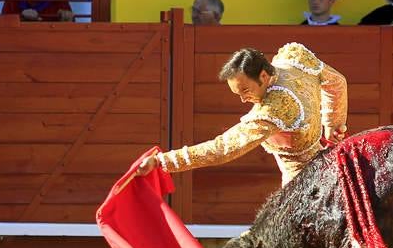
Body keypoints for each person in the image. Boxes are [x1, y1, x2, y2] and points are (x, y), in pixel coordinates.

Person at [136, 43, 348, 186]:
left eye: (245, 91)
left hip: (302, 183)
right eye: (237, 93)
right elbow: (337, 81)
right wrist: (333, 124)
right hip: (326, 162)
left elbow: (223, 149)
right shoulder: (294, 57)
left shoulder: (275, 109)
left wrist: (163, 161)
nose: (243, 99)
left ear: (264, 76)